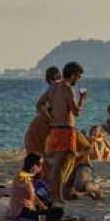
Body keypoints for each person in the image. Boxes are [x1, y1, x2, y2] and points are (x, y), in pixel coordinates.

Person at [37, 62, 86, 204]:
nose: (78, 80)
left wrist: (50, 120)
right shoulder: (67, 88)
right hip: (66, 130)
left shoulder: (53, 87)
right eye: (78, 77)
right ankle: (56, 195)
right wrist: (82, 99)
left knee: (58, 165)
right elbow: (76, 112)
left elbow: (39, 105)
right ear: (72, 75)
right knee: (60, 166)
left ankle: (55, 194)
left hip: (55, 129)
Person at [45, 129, 102, 201]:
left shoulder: (76, 134)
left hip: (83, 164)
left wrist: (78, 154)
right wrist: (54, 161)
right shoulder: (50, 137)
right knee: (66, 195)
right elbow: (47, 157)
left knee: (79, 185)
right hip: (68, 168)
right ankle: (87, 192)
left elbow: (90, 150)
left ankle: (94, 189)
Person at [9, 152, 64, 221]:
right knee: (59, 211)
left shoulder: (28, 177)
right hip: (21, 212)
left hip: (30, 207)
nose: (41, 167)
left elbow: (34, 195)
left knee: (50, 204)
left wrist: (41, 205)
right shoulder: (20, 176)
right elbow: (21, 176)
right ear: (33, 165)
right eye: (40, 164)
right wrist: (33, 172)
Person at [24, 66, 61, 154]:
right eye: (57, 79)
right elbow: (41, 106)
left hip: (45, 116)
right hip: (46, 117)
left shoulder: (48, 88)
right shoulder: (49, 89)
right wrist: (51, 120)